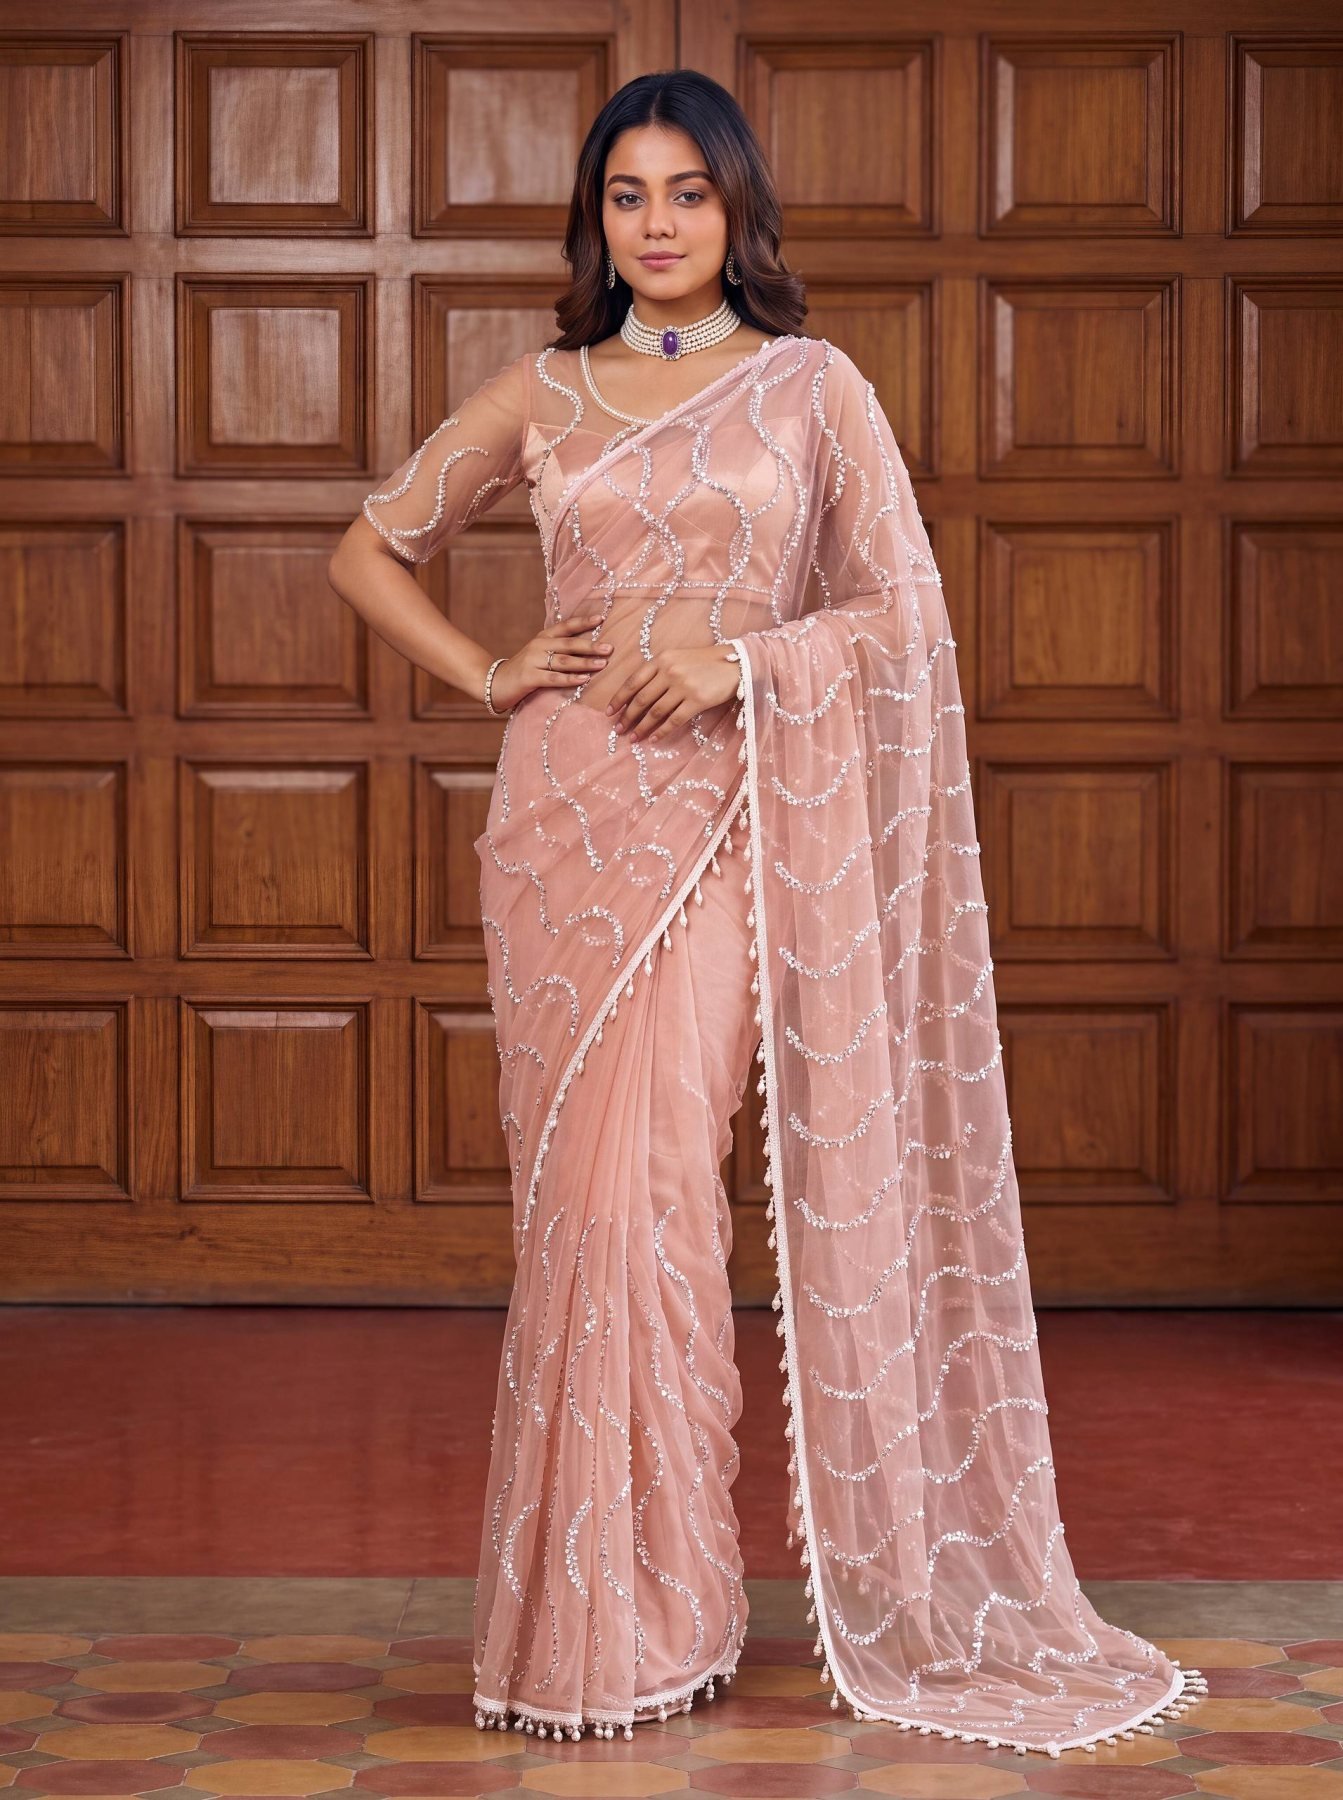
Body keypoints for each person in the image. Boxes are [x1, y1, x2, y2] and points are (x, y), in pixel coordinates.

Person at [328, 68, 1207, 1757]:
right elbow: (368, 551)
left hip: (726, 821)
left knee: (654, 1188)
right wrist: (494, 673)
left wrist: (741, 658)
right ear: (596, 221)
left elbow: (905, 614)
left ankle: (660, 1612)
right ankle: (594, 1623)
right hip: (562, 828)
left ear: (737, 209)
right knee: (577, 1215)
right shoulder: (545, 392)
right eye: (627, 196)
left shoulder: (813, 390)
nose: (657, 224)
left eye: (688, 192)